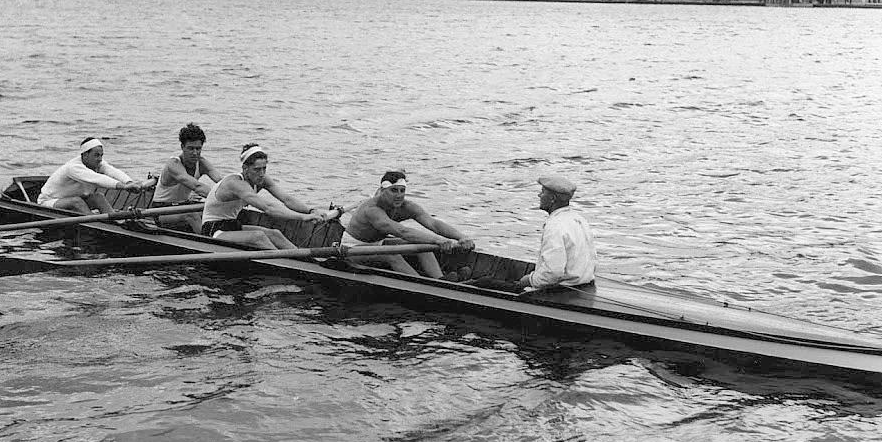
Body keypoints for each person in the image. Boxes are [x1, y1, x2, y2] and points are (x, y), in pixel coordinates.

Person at [199, 143, 337, 249]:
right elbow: (268, 208)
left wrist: (311, 211)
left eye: (264, 168)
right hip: (213, 230)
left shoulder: (261, 179)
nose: (261, 174)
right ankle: (288, 265)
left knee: (275, 233)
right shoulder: (235, 183)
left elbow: (287, 199)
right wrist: (303, 217)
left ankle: (307, 262)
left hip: (232, 225)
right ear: (245, 169)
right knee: (257, 236)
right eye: (257, 169)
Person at [340, 170, 475, 278]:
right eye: (394, 190)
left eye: (402, 190)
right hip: (351, 248)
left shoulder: (406, 206)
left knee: (424, 245)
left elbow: (433, 224)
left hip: (378, 243)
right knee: (391, 255)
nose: (399, 195)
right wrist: (440, 241)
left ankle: (441, 280)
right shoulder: (372, 210)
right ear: (382, 191)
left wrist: (462, 237)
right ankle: (423, 285)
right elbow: (403, 232)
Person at [472, 175, 596, 292]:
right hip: (582, 283)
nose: (539, 195)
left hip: (560, 289)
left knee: (483, 283)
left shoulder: (555, 226)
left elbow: (553, 273)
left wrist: (529, 280)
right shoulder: (579, 219)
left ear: (552, 199)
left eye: (542, 192)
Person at [37, 137, 155, 215]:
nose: (99, 159)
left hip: (71, 199)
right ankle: (97, 224)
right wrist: (123, 187)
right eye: (96, 155)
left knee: (98, 196)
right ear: (85, 155)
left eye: (101, 155)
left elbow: (112, 171)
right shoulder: (73, 167)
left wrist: (129, 182)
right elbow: (97, 179)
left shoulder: (97, 163)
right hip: (49, 203)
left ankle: (115, 222)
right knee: (77, 202)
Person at [150, 122, 224, 233]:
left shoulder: (202, 163)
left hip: (182, 206)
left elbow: (222, 182)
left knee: (216, 212)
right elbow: (197, 186)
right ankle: (211, 243)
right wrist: (221, 198)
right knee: (192, 215)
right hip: (161, 211)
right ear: (182, 147)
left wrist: (239, 194)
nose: (195, 153)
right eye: (191, 148)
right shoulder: (173, 164)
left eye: (198, 149)